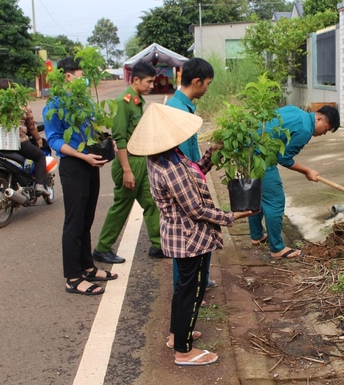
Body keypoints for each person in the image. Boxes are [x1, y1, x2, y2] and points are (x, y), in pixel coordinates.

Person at [127, 102, 254, 366]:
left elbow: (194, 173)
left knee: (185, 289)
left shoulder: (167, 156)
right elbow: (195, 209)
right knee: (192, 290)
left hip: (184, 235)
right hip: (189, 238)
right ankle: (184, 351)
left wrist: (211, 154)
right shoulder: (170, 167)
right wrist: (231, 217)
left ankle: (177, 335)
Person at [44, 56, 116, 296]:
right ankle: (73, 278)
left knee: (86, 220)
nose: (84, 79)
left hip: (89, 164)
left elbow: (92, 131)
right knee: (74, 222)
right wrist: (82, 156)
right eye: (81, 74)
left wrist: (105, 143)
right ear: (68, 76)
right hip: (73, 166)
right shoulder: (54, 104)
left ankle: (87, 266)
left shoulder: (83, 102)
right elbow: (54, 139)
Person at [92, 61, 163, 264]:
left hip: (141, 161)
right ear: (136, 80)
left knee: (152, 202)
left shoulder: (138, 101)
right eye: (149, 82)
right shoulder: (122, 103)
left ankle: (158, 245)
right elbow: (120, 139)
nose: (152, 86)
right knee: (122, 206)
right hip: (129, 162)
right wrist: (126, 170)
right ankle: (102, 248)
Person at [249, 105, 340, 259]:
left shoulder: (293, 110)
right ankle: (277, 249)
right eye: (326, 128)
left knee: (257, 195)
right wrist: (307, 171)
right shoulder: (305, 130)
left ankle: (257, 235)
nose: (323, 133)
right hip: (261, 158)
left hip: (248, 152)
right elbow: (283, 158)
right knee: (275, 201)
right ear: (318, 119)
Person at [165, 58, 217, 290]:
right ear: (196, 82)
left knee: (200, 237)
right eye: (207, 83)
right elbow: (180, 162)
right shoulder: (178, 113)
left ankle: (201, 281)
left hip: (191, 179)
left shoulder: (183, 106)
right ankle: (184, 291)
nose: (207, 88)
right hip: (184, 186)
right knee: (187, 243)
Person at [18, 106, 49, 195]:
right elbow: (32, 127)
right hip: (20, 142)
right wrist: (38, 139)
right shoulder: (22, 106)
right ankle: (39, 184)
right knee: (40, 156)